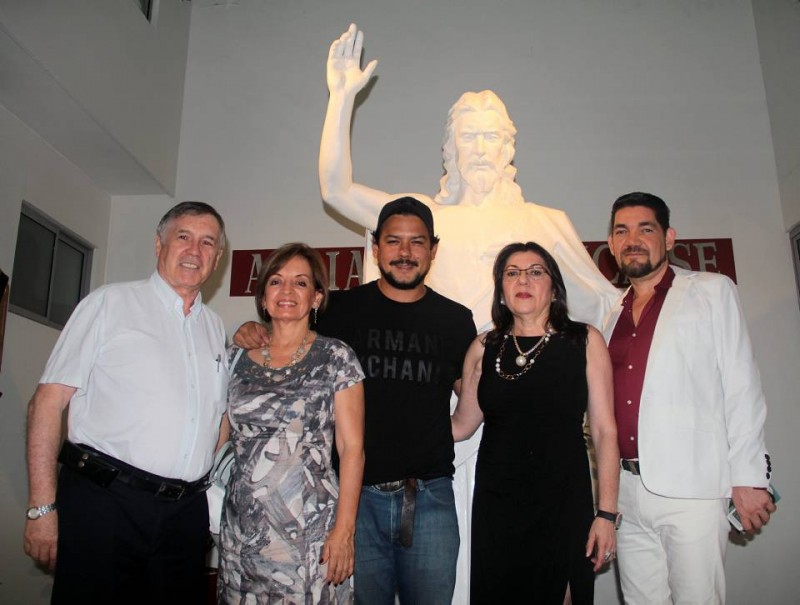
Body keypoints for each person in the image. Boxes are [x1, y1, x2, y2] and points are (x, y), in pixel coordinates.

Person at [235, 198, 476, 604]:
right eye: (393, 241)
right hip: (353, 501)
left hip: (430, 497)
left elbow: (473, 398)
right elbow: (286, 335)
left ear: (433, 250)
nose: (404, 252)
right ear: (376, 248)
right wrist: (251, 329)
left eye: (416, 242)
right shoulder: (339, 311)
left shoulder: (455, 319)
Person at [23, 201, 229, 604]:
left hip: (184, 515)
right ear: (159, 244)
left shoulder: (214, 327)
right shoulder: (109, 304)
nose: (194, 251)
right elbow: (46, 404)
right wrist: (41, 508)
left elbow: (216, 418)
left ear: (218, 258)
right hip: (106, 503)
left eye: (207, 243)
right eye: (183, 237)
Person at [604, 192, 776, 604]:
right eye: (621, 231)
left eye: (645, 229)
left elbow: (742, 386)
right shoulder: (609, 312)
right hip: (627, 492)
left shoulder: (712, 291)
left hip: (693, 489)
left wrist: (750, 477)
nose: (633, 240)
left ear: (669, 238)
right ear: (610, 245)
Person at [451, 242, 619, 604]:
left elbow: (605, 432)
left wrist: (606, 514)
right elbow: (461, 426)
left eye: (535, 271)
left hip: (563, 502)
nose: (522, 279)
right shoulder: (484, 347)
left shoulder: (584, 341)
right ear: (501, 289)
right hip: (498, 507)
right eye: (511, 273)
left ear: (554, 287)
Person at [218, 243, 365, 604]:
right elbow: (220, 437)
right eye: (276, 281)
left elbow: (352, 449)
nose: (286, 291)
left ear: (316, 298)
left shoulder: (336, 357)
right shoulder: (235, 358)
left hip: (311, 533)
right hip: (242, 531)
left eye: (300, 283)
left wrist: (344, 532)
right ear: (263, 296)